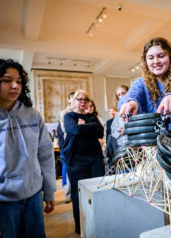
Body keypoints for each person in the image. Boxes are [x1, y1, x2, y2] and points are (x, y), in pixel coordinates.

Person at [0, 59, 56, 237]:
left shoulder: (32, 115)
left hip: (33, 199)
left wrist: (49, 191)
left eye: (19, 81)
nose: (15, 86)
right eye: (7, 80)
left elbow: (45, 156)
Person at [119, 37, 171, 141]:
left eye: (161, 56)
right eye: (151, 58)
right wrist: (131, 102)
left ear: (170, 56)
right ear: (146, 61)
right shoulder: (141, 83)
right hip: (149, 147)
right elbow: (132, 95)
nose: (156, 61)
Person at [63, 90, 104, 235]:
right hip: (77, 161)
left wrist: (84, 124)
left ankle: (99, 223)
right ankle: (80, 226)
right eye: (79, 99)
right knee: (78, 194)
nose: (82, 102)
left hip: (95, 160)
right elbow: (73, 129)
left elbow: (100, 132)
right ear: (74, 101)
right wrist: (90, 127)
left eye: (85, 99)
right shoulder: (69, 116)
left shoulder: (91, 116)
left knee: (99, 191)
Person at [59, 91, 75, 204]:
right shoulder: (65, 112)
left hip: (81, 145)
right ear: (69, 100)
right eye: (73, 98)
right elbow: (65, 129)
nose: (75, 100)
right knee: (69, 171)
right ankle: (68, 195)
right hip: (69, 144)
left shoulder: (81, 111)